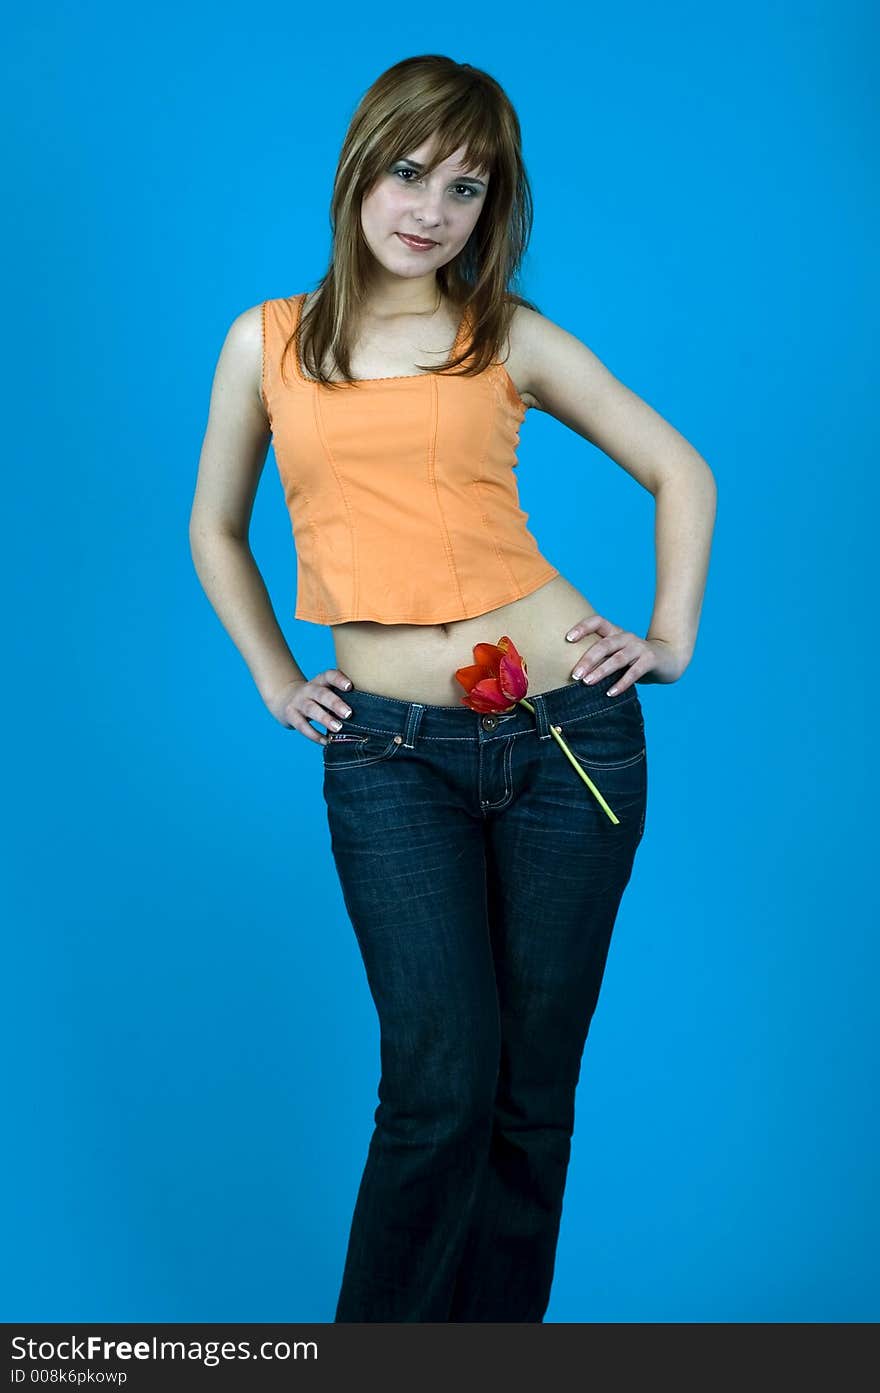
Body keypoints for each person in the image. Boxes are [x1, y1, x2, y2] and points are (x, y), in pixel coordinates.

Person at [189, 54, 716, 1322]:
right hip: (388, 756)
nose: (431, 208)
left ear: (493, 209)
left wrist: (668, 635)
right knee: (437, 1082)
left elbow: (680, 470)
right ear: (361, 169)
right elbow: (215, 528)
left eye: (467, 188)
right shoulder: (268, 341)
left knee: (531, 1095)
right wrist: (275, 677)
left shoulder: (505, 337)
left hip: (570, 739)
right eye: (411, 171)